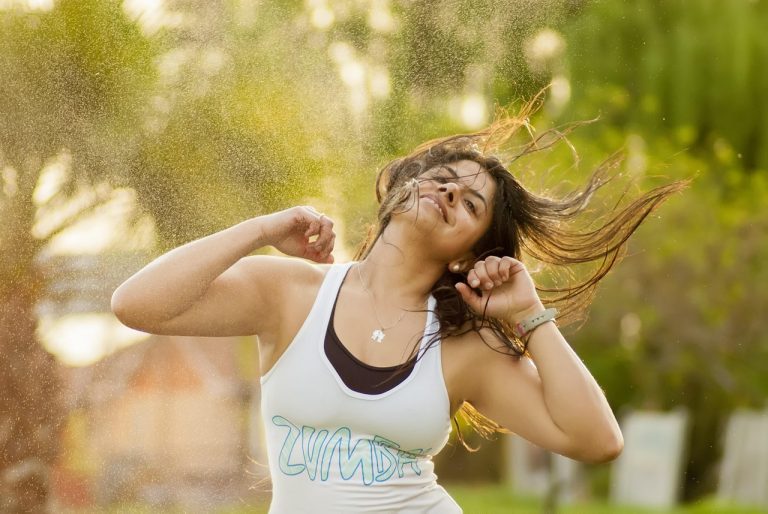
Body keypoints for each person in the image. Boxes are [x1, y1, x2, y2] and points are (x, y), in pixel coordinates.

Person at [111, 97, 687, 513]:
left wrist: (529, 315)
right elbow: (137, 305)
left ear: (468, 255)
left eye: (469, 204)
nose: (448, 193)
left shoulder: (465, 348)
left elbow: (598, 441)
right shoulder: (291, 294)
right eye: (442, 179)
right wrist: (262, 228)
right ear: (402, 187)